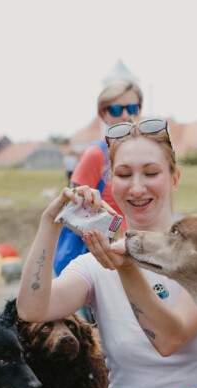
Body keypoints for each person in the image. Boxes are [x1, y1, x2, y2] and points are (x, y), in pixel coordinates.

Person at [17, 118, 197, 388]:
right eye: (124, 175)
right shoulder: (95, 263)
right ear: (109, 181)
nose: (137, 188)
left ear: (174, 179)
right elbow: (32, 308)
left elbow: (170, 339)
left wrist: (126, 267)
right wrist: (51, 222)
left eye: (151, 173)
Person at [54, 78, 144, 277]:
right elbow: (72, 211)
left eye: (132, 108)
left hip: (136, 253)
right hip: (98, 260)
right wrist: (111, 239)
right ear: (103, 113)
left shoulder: (145, 151)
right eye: (116, 110)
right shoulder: (96, 153)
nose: (126, 115)